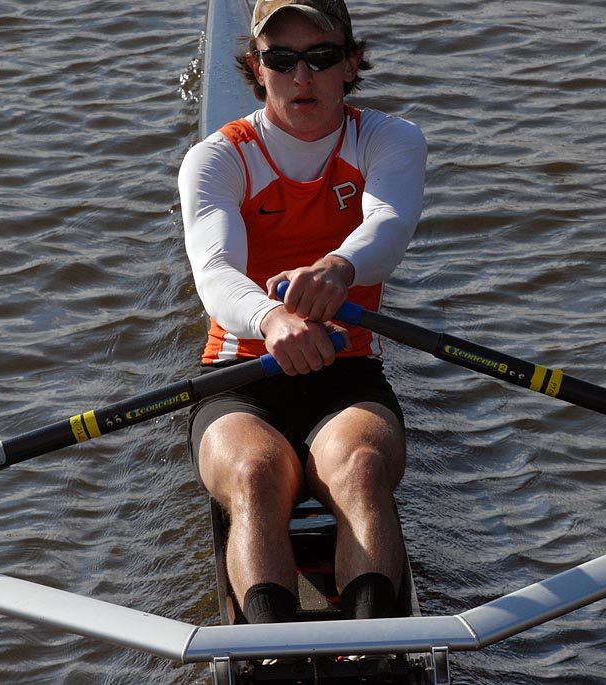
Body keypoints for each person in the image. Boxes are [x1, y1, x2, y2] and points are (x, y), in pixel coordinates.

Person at [178, 0, 426, 624]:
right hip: (239, 376)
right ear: (256, 70)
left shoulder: (388, 139)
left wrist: (338, 268)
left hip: (347, 375)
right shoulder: (217, 158)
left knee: (362, 468)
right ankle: (266, 643)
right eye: (281, 59)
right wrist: (270, 319)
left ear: (352, 63)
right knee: (257, 476)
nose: (302, 76)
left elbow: (388, 228)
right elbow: (215, 274)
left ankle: (377, 642)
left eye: (320, 56)